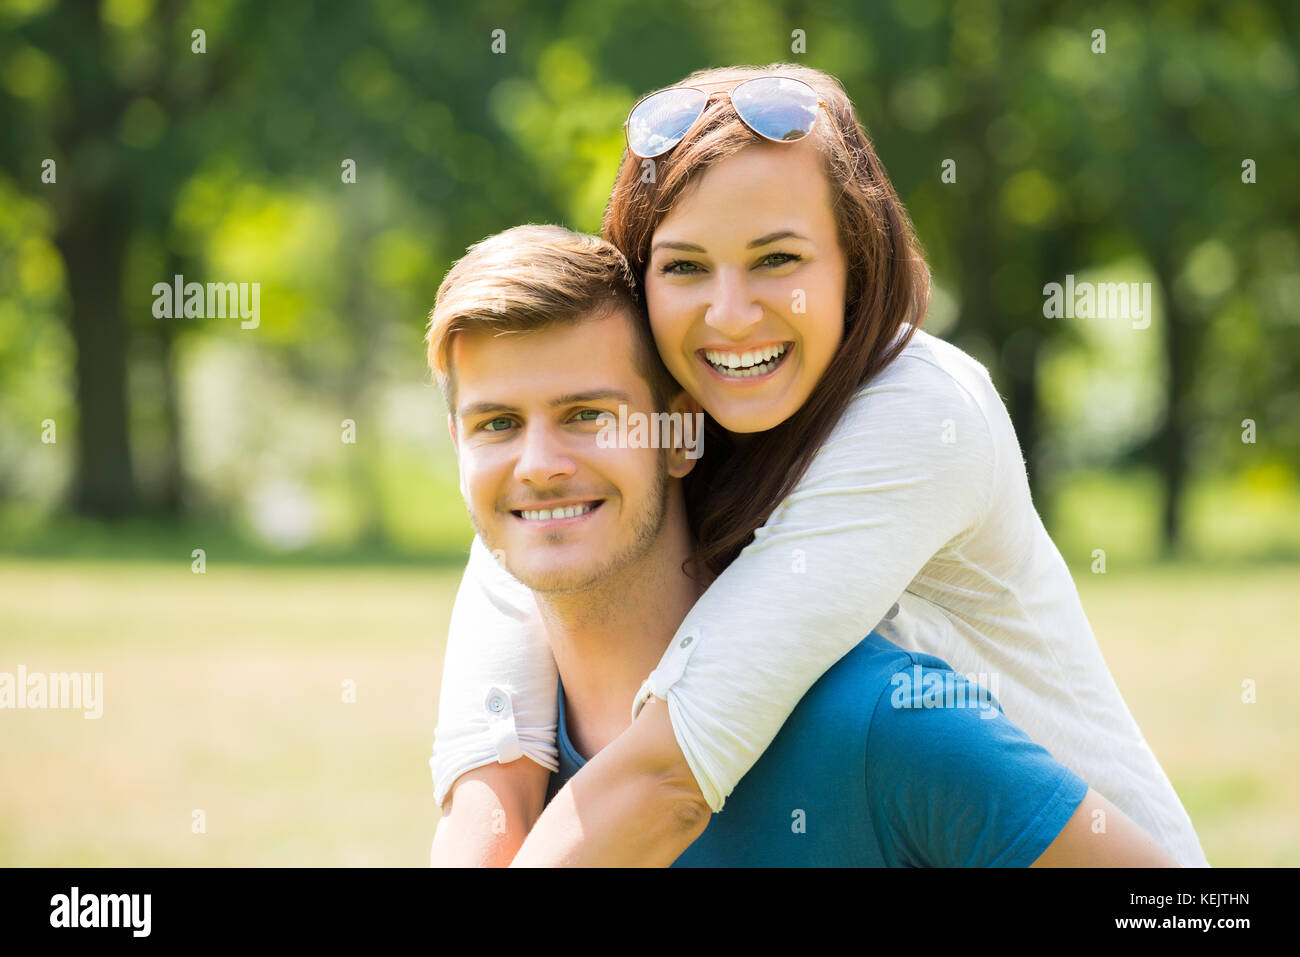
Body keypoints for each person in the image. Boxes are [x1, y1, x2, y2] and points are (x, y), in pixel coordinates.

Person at [428, 64, 1208, 867]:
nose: (730, 316)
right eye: (685, 266)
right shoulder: (680, 409)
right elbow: (511, 623)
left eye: (777, 260)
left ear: (855, 266)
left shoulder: (923, 413)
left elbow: (674, 767)